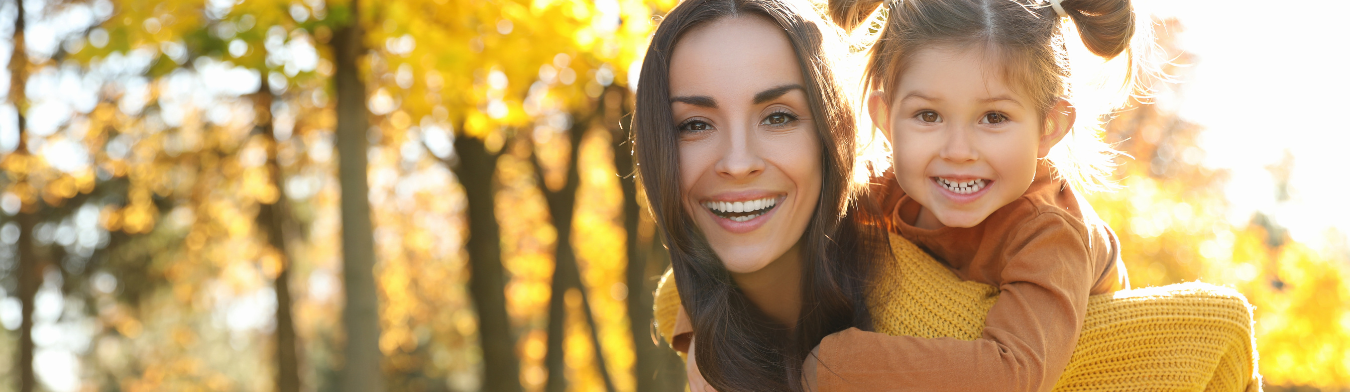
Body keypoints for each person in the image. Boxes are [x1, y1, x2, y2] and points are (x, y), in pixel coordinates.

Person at [798, 0, 1136, 389]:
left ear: (1049, 126)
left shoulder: (1050, 234)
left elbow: (1011, 373)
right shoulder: (878, 192)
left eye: (994, 118)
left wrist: (832, 365)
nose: (958, 151)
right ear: (886, 119)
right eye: (928, 115)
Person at [629, 0, 887, 390]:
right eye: (696, 124)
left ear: (834, 133)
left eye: (778, 117)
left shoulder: (957, 332)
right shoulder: (680, 303)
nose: (737, 162)